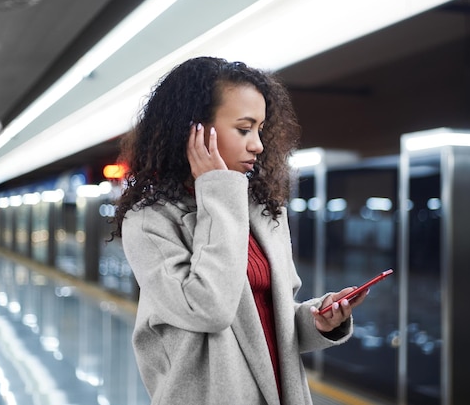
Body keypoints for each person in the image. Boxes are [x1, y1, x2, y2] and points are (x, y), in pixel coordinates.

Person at [113, 56, 369, 405]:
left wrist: (320, 321)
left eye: (260, 130)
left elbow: (271, 318)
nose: (258, 145)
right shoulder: (150, 222)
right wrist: (218, 190)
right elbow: (209, 309)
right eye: (244, 128)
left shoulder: (261, 212)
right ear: (195, 131)